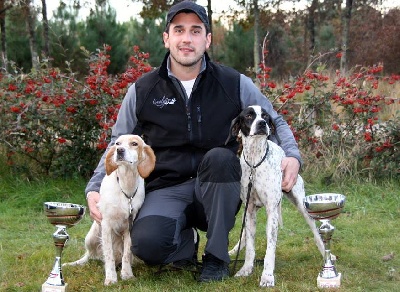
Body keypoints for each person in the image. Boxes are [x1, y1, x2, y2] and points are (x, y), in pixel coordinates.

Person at [85, 0, 301, 283]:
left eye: (196, 31)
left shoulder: (234, 83)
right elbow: (117, 143)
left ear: (207, 39)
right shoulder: (142, 90)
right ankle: (184, 245)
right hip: (165, 188)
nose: (187, 39)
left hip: (217, 187)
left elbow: (276, 120)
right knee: (148, 243)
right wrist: (94, 187)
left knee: (222, 158)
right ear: (166, 38)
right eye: (179, 30)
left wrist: (292, 156)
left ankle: (216, 258)